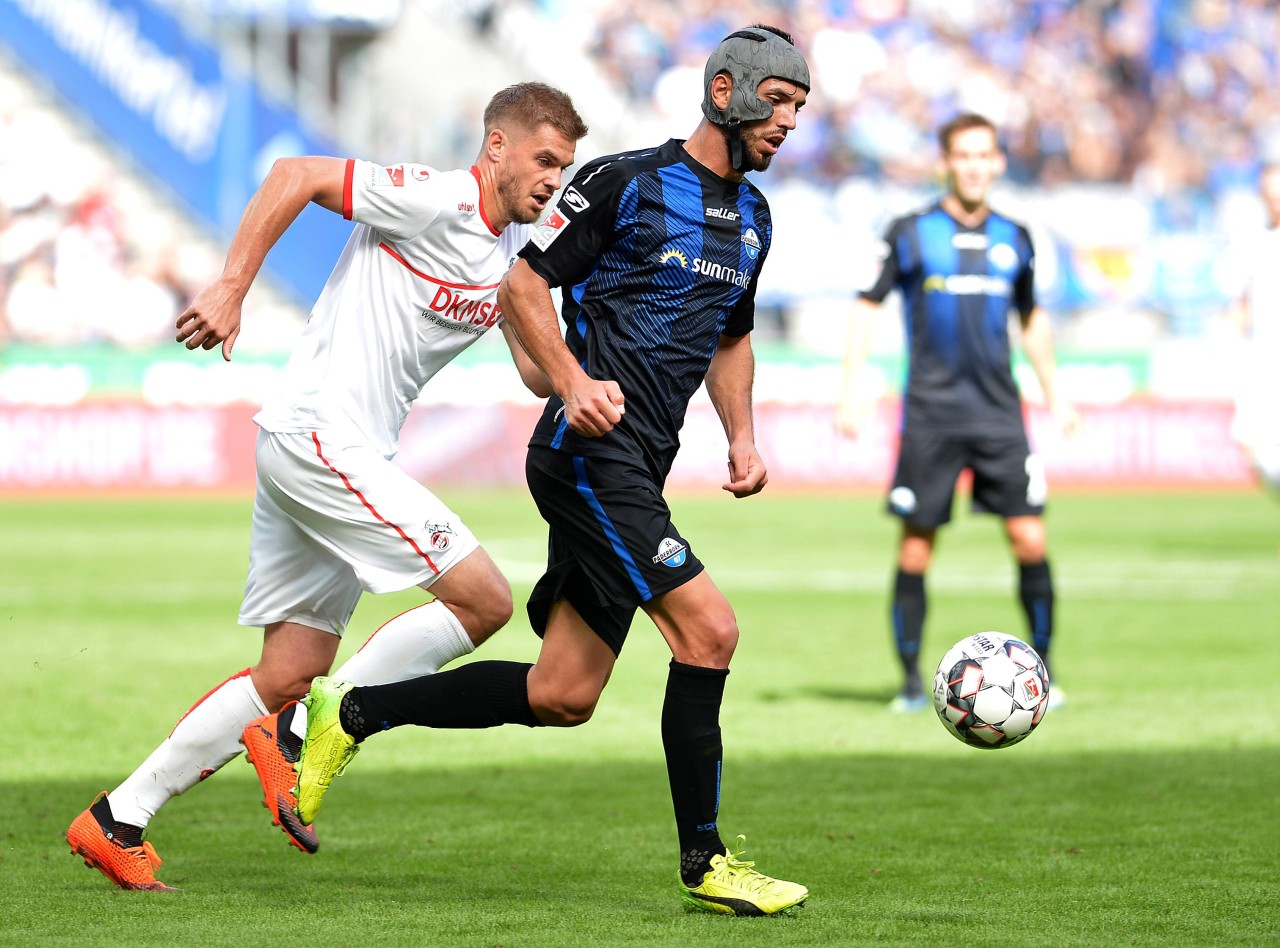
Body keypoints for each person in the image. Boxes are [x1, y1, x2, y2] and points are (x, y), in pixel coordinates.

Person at [264, 25, 812, 917]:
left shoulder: (755, 219)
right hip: (585, 456)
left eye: (799, 109)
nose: (789, 122)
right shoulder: (626, 182)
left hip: (644, 461)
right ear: (725, 91)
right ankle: (707, 863)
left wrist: (741, 436)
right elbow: (524, 282)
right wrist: (570, 380)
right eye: (778, 101)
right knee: (709, 631)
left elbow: (734, 333)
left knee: (563, 694)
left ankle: (350, 716)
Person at [65, 82, 589, 891]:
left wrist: (591, 347)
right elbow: (295, 174)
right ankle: (309, 737)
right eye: (545, 159)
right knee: (483, 601)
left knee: (287, 671)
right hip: (323, 438)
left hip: (316, 448)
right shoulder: (436, 199)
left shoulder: (509, 253)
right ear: (496, 148)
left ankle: (117, 818)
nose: (555, 178)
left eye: (565, 165)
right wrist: (233, 287)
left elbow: (533, 371)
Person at [835, 112, 1079, 713]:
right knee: (917, 549)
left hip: (1000, 416)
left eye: (984, 155)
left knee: (1029, 538)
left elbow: (1032, 317)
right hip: (932, 416)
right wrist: (853, 385)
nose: (974, 165)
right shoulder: (910, 232)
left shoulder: (1016, 237)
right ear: (946, 162)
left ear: (997, 162)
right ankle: (913, 683)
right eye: (962, 155)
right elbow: (867, 307)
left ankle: (1041, 675)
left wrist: (1055, 391)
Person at [1228, 163, 1280, 505]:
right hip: (1265, 363)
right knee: (1254, 451)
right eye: (1269, 192)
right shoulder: (1256, 243)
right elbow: (1240, 306)